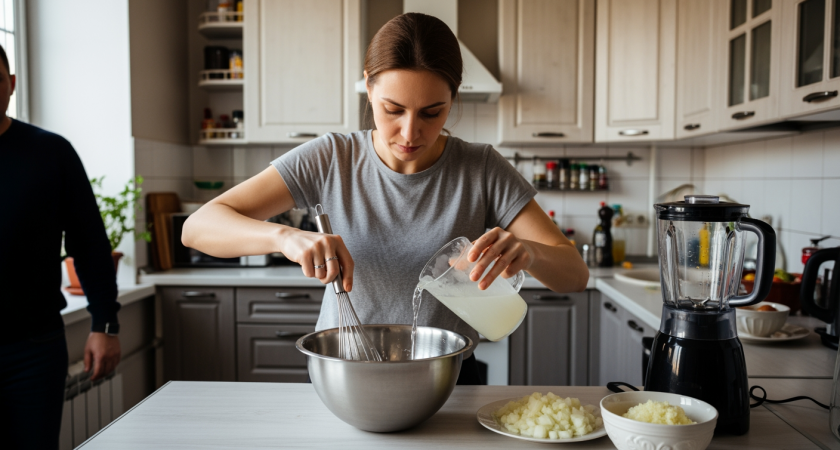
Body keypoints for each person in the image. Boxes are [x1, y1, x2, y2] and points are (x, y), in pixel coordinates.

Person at [182, 13, 588, 383]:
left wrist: (529, 253)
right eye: (393, 109)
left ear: (454, 97)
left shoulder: (480, 168)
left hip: (446, 379)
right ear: (369, 87)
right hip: (347, 371)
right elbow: (197, 227)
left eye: (432, 112)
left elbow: (575, 275)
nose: (410, 133)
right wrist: (284, 238)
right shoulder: (331, 158)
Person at [0, 43, 122, 449]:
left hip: (33, 352)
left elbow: (88, 242)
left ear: (12, 84)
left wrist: (104, 323)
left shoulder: (50, 152)